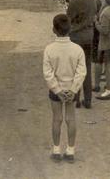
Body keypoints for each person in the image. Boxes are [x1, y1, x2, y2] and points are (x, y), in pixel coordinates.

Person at [43, 14, 86, 163]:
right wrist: (74, 89)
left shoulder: (49, 49)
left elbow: (48, 73)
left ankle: (56, 150)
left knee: (57, 119)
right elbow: (81, 72)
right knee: (70, 118)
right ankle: (70, 150)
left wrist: (57, 90)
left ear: (54, 29)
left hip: (56, 90)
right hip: (72, 90)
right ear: (70, 28)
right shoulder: (77, 49)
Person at [66, 0, 98, 109]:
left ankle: (76, 98)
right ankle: (88, 99)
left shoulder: (75, 2)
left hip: (76, 37)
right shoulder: (93, 0)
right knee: (87, 68)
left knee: (75, 69)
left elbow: (68, 21)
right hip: (89, 36)